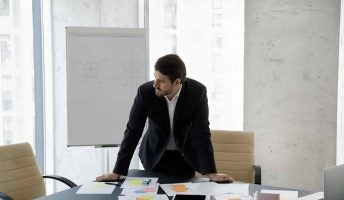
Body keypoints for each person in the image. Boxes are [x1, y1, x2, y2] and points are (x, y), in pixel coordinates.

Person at [96, 54, 233, 183]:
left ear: (177, 82)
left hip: (185, 157)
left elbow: (201, 132)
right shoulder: (145, 92)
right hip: (155, 155)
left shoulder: (197, 92)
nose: (155, 84)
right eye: (155, 78)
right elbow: (133, 131)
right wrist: (117, 171)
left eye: (161, 81)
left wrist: (211, 172)